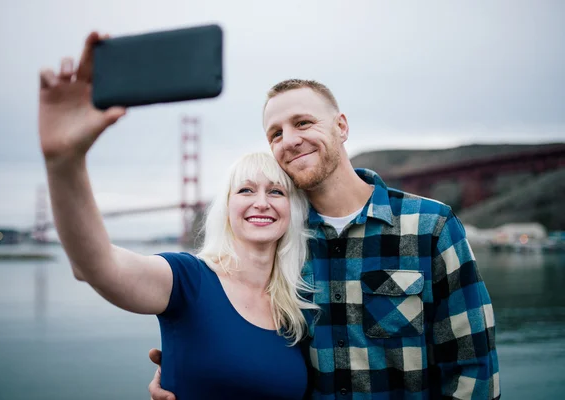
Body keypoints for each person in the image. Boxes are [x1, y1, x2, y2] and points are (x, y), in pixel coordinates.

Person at [149, 79, 500, 399]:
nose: (289, 140)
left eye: (302, 123)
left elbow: (474, 367)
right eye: (275, 134)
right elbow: (241, 330)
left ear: (341, 126)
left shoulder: (430, 225)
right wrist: (187, 371)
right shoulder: (276, 236)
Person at [38, 32, 319, 399]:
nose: (261, 203)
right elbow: (96, 266)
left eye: (276, 191)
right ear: (226, 207)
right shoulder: (188, 281)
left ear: (291, 210)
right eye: (246, 190)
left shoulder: (299, 304)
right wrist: (65, 161)